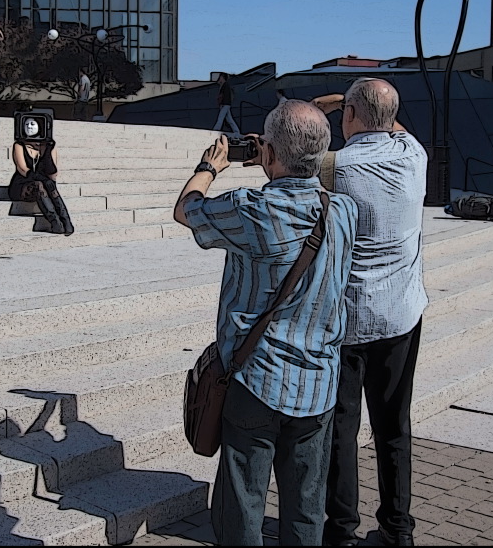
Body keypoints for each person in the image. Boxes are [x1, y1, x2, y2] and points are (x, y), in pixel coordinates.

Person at [174, 100, 358, 546]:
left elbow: (187, 208)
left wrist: (210, 165)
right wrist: (281, 155)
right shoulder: (345, 211)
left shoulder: (252, 209)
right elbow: (312, 174)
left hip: (257, 380)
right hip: (318, 383)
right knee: (305, 509)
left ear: (269, 153)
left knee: (242, 505)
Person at [311, 78, 428, 547]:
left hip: (349, 321)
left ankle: (340, 531)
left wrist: (338, 106)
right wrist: (360, 105)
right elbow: (392, 125)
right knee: (394, 426)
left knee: (342, 428)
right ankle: (398, 529)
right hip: (401, 315)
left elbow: (292, 152)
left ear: (352, 117)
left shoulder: (334, 167)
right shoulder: (414, 156)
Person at [8, 118, 75, 236]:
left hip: (44, 184)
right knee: (39, 185)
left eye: (32, 124)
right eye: (26, 124)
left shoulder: (47, 146)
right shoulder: (19, 145)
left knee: (50, 186)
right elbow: (23, 169)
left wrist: (48, 150)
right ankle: (55, 222)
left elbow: (53, 173)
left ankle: (66, 221)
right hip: (22, 185)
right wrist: (44, 179)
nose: (29, 127)